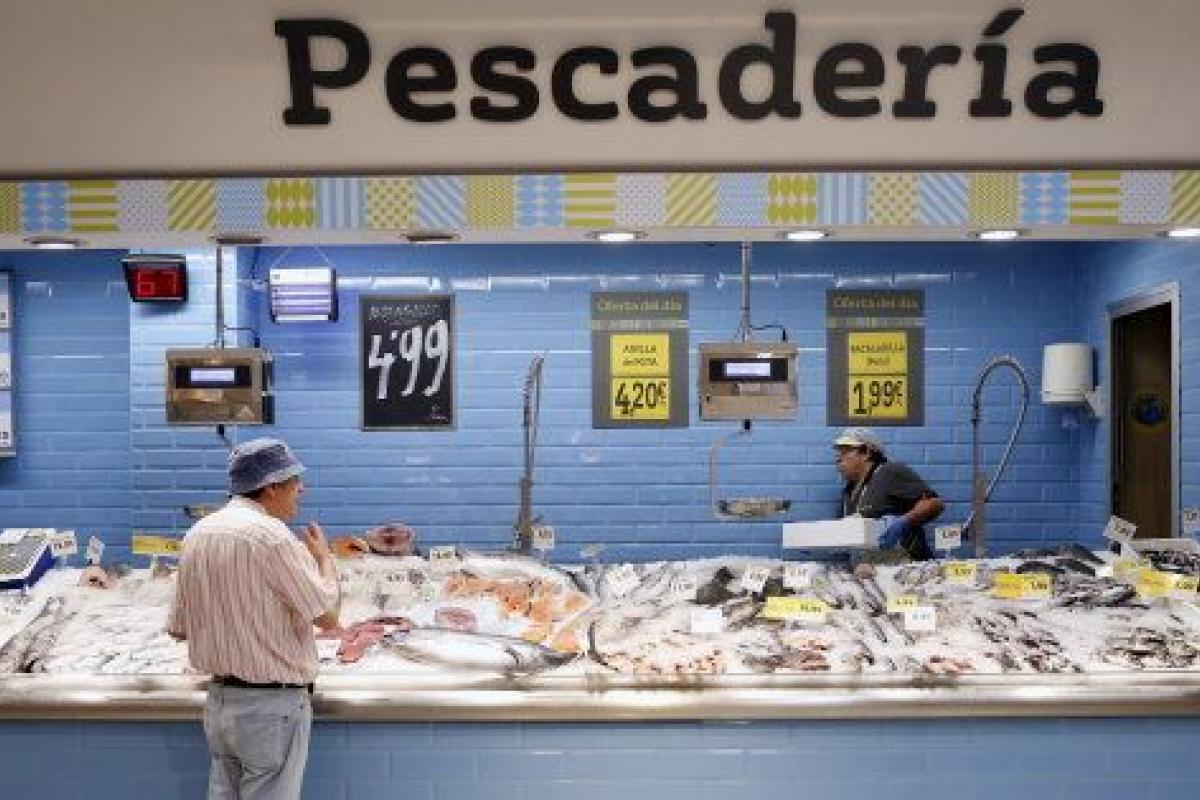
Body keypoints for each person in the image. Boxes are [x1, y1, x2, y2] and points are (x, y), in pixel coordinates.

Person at [167, 438, 340, 800]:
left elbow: (179, 628)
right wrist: (324, 559)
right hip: (269, 710)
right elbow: (327, 617)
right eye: (295, 481)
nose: (301, 489)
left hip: (220, 705)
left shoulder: (198, 534)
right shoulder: (272, 537)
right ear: (271, 487)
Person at [833, 427, 945, 560]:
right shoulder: (848, 492)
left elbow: (935, 504)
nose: (838, 459)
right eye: (838, 453)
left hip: (905, 566)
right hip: (871, 568)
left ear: (866, 453)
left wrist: (904, 521)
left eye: (845, 451)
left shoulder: (890, 472)